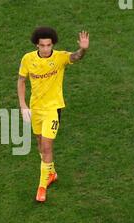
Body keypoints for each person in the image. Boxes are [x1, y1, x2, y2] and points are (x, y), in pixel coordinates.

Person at [17, 27, 89, 202]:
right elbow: (21, 81)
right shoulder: (28, 59)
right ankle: (51, 172)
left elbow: (75, 57)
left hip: (53, 109)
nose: (46, 49)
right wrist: (23, 105)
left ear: (53, 44)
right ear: (37, 45)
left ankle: (42, 187)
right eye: (42, 45)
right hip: (35, 109)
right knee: (40, 144)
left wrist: (83, 49)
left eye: (49, 45)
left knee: (47, 146)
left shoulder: (59, 58)